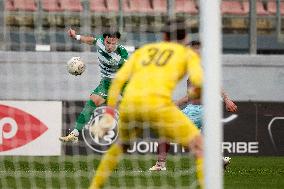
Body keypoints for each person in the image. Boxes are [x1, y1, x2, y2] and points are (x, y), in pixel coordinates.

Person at [89, 18, 204, 189]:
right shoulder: (188, 54)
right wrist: (196, 93)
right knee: (199, 147)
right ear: (186, 38)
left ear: (164, 35)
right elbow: (198, 81)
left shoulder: (145, 50)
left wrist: (109, 113)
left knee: (121, 146)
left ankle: (94, 187)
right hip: (158, 105)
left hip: (130, 104)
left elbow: (119, 79)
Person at [149, 40, 238, 171]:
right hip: (199, 110)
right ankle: (218, 160)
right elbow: (190, 97)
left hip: (198, 110)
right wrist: (175, 103)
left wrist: (226, 99)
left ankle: (160, 165)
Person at [59, 28, 129, 143]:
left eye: (114, 43)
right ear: (104, 39)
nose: (110, 46)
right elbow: (90, 40)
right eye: (108, 42)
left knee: (138, 107)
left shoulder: (122, 52)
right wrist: (76, 36)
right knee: (92, 102)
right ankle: (75, 134)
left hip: (123, 82)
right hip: (106, 82)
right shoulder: (99, 42)